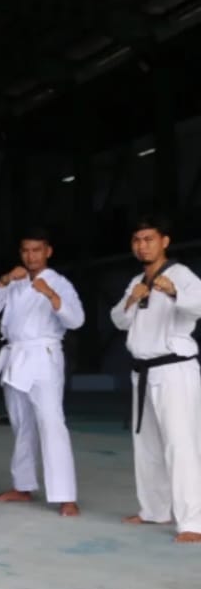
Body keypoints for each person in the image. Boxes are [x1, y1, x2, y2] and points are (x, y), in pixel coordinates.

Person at [110, 217, 201, 543]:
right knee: (147, 445)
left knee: (181, 445)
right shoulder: (137, 280)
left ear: (164, 241)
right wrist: (131, 299)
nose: (142, 245)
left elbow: (199, 306)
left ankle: (193, 521)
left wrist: (174, 292)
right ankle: (154, 510)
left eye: (149, 239)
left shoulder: (181, 275)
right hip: (144, 371)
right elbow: (119, 320)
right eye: (137, 240)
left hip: (174, 370)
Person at [0, 231, 85, 516]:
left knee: (52, 423)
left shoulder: (59, 283)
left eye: (37, 250)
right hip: (16, 356)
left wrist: (51, 295)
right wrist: (4, 280)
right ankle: (23, 485)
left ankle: (65, 495)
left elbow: (76, 320)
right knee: (21, 424)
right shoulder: (14, 281)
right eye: (26, 250)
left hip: (43, 356)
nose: (31, 256)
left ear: (48, 251)